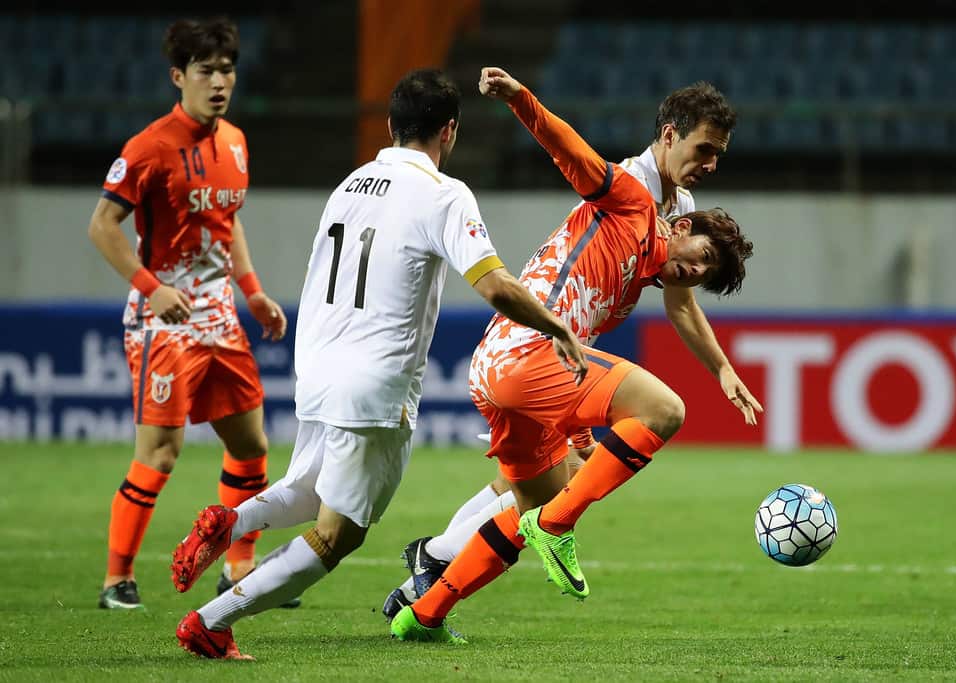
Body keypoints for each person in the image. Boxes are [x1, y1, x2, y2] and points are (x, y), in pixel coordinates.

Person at [167, 67, 589, 659]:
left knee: (311, 490)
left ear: (390, 126)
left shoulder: (351, 183)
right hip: (375, 382)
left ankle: (229, 524)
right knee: (338, 534)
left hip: (317, 367)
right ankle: (214, 621)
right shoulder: (444, 194)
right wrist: (555, 325)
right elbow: (494, 286)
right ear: (450, 131)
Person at [389, 66, 760, 643]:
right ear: (669, 135)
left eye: (719, 154)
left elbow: (682, 304)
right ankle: (544, 529)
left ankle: (425, 594)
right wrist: (520, 99)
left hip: (521, 358)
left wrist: (723, 367)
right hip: (533, 349)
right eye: (704, 148)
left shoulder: (676, 208)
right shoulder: (634, 188)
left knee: (541, 494)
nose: (712, 163)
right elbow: (573, 155)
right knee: (657, 416)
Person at [87, 17, 290, 611]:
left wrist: (252, 292)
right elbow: (102, 226)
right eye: (206, 71)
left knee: (251, 445)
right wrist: (151, 289)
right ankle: (115, 581)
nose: (219, 82)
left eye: (227, 69)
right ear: (179, 76)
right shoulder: (148, 147)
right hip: (164, 323)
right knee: (161, 453)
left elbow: (229, 226)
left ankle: (240, 568)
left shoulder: (234, 141)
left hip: (220, 317)